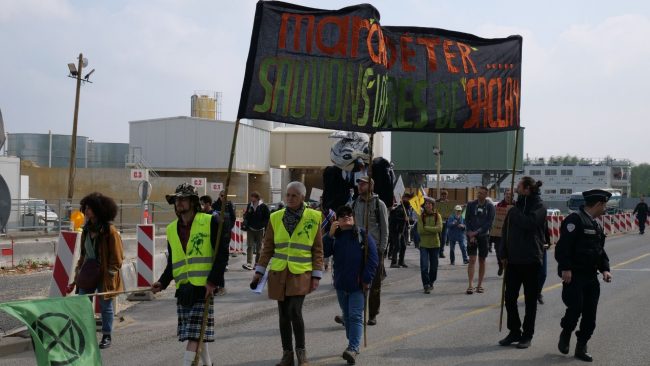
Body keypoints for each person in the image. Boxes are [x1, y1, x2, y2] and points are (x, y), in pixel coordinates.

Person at [151, 183, 229, 366]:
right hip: (183, 290)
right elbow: (173, 262)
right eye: (177, 199)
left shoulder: (211, 221)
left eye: (183, 199)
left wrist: (213, 281)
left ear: (194, 202)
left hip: (204, 288)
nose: (179, 202)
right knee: (197, 332)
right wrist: (162, 283)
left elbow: (222, 254)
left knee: (194, 335)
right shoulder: (171, 229)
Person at [251, 181, 324, 366]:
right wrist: (259, 272)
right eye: (288, 195)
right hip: (278, 273)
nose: (290, 199)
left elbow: (317, 249)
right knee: (283, 315)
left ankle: (302, 353)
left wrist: (316, 275)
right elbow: (267, 248)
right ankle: (287, 355)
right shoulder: (275, 217)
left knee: (294, 311)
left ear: (302, 197)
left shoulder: (314, 217)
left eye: (294, 196)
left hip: (301, 273)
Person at [554, 189, 613, 362]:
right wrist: (565, 268)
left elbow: (599, 251)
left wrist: (605, 269)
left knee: (590, 314)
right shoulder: (575, 220)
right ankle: (566, 333)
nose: (605, 209)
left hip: (590, 276)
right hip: (574, 276)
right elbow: (563, 247)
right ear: (598, 204)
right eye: (605, 205)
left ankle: (581, 346)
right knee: (575, 308)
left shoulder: (596, 224)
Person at [323, 205, 378, 365]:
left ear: (353, 218)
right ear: (337, 220)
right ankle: (353, 340)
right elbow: (323, 252)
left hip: (358, 285)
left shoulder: (363, 235)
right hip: (341, 284)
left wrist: (366, 279)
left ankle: (353, 348)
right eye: (342, 215)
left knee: (355, 316)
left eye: (349, 215)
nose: (346, 217)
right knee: (346, 318)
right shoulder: (335, 237)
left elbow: (373, 259)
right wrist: (329, 235)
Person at [68, 192, 124, 349]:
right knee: (83, 303)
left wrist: (111, 274)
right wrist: (77, 277)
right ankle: (85, 335)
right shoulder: (86, 230)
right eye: (85, 207)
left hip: (104, 274)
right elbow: (83, 255)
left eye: (90, 208)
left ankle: (107, 335)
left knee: (105, 306)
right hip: (88, 272)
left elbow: (118, 256)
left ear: (99, 210)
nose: (86, 210)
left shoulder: (109, 231)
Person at [497, 177, 547, 349]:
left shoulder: (539, 206)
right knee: (509, 298)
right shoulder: (515, 207)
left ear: (526, 189)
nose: (516, 188)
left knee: (530, 301)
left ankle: (527, 335)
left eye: (518, 186)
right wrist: (502, 253)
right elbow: (505, 231)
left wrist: (513, 211)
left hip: (531, 260)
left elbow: (529, 223)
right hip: (513, 260)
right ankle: (514, 331)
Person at [349, 176, 388, 326]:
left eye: (364, 183)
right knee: (356, 283)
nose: (360, 186)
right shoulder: (354, 204)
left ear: (371, 185)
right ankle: (354, 314)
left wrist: (382, 249)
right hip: (357, 249)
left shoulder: (380, 205)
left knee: (375, 284)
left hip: (374, 250)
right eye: (359, 183)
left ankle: (372, 314)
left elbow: (385, 229)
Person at [465, 186, 495, 294]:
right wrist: (469, 233)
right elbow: (467, 219)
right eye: (478, 193)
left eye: (482, 193)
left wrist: (477, 232)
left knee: (482, 260)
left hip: (483, 236)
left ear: (486, 195)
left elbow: (489, 223)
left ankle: (480, 285)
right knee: (472, 259)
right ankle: (470, 285)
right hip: (471, 236)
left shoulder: (490, 206)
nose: (479, 195)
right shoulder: (471, 204)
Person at [417, 197, 443, 293]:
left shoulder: (437, 216)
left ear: (432, 205)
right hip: (424, 245)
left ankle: (431, 281)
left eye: (429, 203)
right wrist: (432, 229)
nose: (427, 205)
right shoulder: (421, 217)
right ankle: (426, 285)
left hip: (435, 245)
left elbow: (439, 229)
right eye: (426, 203)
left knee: (434, 267)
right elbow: (420, 231)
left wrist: (426, 227)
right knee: (424, 266)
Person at [211, 190, 234, 294]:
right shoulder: (215, 205)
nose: (223, 197)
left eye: (224, 196)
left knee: (222, 257)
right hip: (215, 234)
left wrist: (228, 228)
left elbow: (233, 218)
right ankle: (215, 285)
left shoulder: (229, 205)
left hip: (225, 233)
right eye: (221, 196)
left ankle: (221, 286)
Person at [242, 191, 270, 270]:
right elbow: (247, 216)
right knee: (250, 246)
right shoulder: (249, 205)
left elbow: (267, 218)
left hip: (260, 230)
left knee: (259, 248)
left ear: (257, 198)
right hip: (250, 229)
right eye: (251, 197)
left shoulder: (263, 206)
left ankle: (257, 263)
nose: (251, 198)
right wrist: (246, 216)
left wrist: (263, 226)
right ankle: (249, 263)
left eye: (253, 197)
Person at [389, 193, 416, 268]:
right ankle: (393, 262)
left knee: (403, 246)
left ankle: (401, 261)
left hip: (402, 230)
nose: (410, 201)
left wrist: (411, 221)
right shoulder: (399, 208)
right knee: (397, 246)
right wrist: (403, 219)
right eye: (408, 199)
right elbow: (394, 219)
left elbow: (407, 220)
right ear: (404, 198)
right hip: (396, 230)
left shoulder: (406, 209)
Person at [494, 189, 513, 276]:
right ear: (504, 195)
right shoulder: (499, 205)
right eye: (507, 194)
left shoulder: (515, 205)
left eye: (510, 194)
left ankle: (508, 269)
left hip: (511, 233)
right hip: (499, 233)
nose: (508, 196)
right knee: (498, 251)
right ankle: (500, 265)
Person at [437, 190, 450, 258]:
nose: (444, 197)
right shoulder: (437, 201)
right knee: (438, 237)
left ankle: (441, 252)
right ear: (441, 195)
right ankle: (437, 251)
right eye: (443, 195)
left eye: (445, 195)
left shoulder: (448, 202)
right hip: (438, 222)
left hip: (446, 222)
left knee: (444, 238)